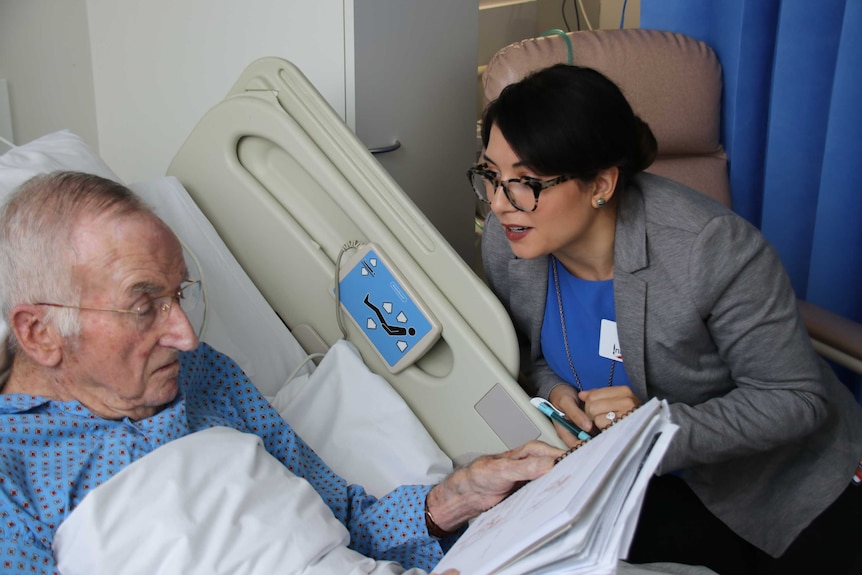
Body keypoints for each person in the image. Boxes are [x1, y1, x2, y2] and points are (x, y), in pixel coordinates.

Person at [0, 171, 563, 575]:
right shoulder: (11, 469)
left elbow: (345, 520)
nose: (186, 336)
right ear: (39, 334)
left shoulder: (202, 375)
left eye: (179, 296)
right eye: (143, 306)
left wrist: (459, 495)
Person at [474, 63, 862, 575]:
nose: (501, 204)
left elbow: (795, 399)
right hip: (636, 491)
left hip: (779, 491)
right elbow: (526, 356)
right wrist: (553, 390)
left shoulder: (710, 249)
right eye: (490, 176)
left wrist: (651, 432)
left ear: (601, 184)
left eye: (525, 182)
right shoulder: (511, 249)